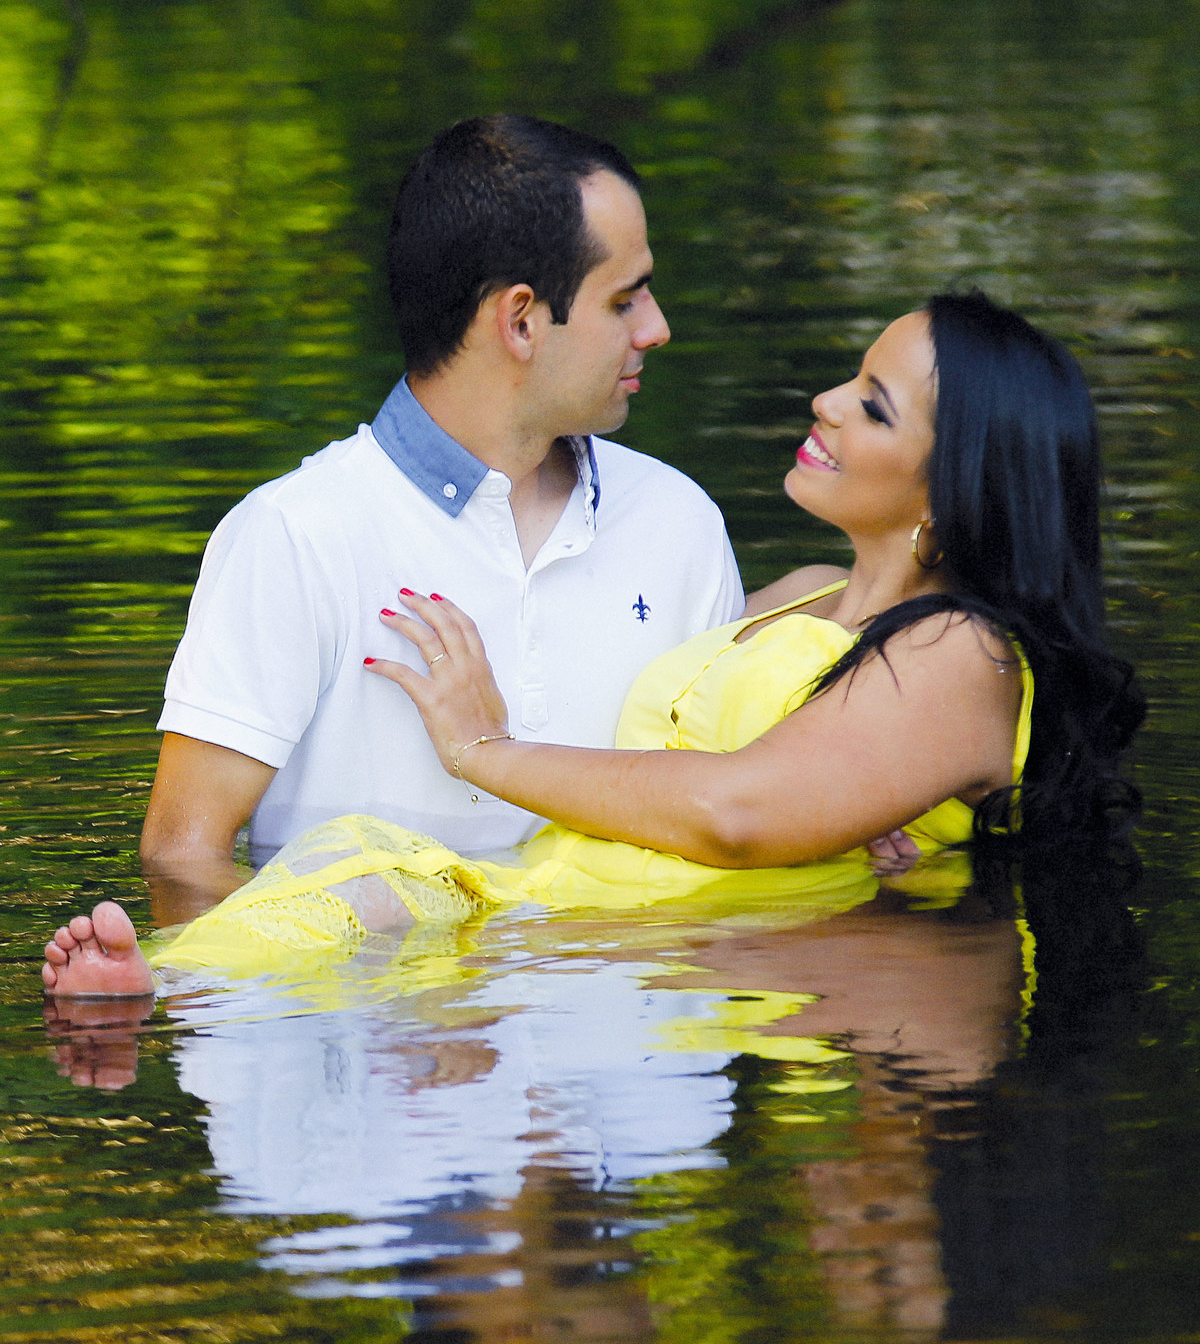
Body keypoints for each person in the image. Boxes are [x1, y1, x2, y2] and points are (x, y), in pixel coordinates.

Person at [42, 289, 1145, 997]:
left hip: (635, 945)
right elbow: (753, 764)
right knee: (363, 872)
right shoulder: (805, 598)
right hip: (564, 909)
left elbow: (737, 808)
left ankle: (161, 989)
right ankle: (166, 979)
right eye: (851, 379)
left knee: (376, 890)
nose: (824, 402)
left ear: (956, 488)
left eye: (873, 405)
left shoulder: (963, 654)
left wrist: (484, 752)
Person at [135, 115, 743, 927]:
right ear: (521, 320)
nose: (655, 328)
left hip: (635, 996)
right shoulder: (296, 535)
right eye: (624, 299)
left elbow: (739, 822)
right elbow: (181, 860)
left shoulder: (679, 522)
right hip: (374, 1001)